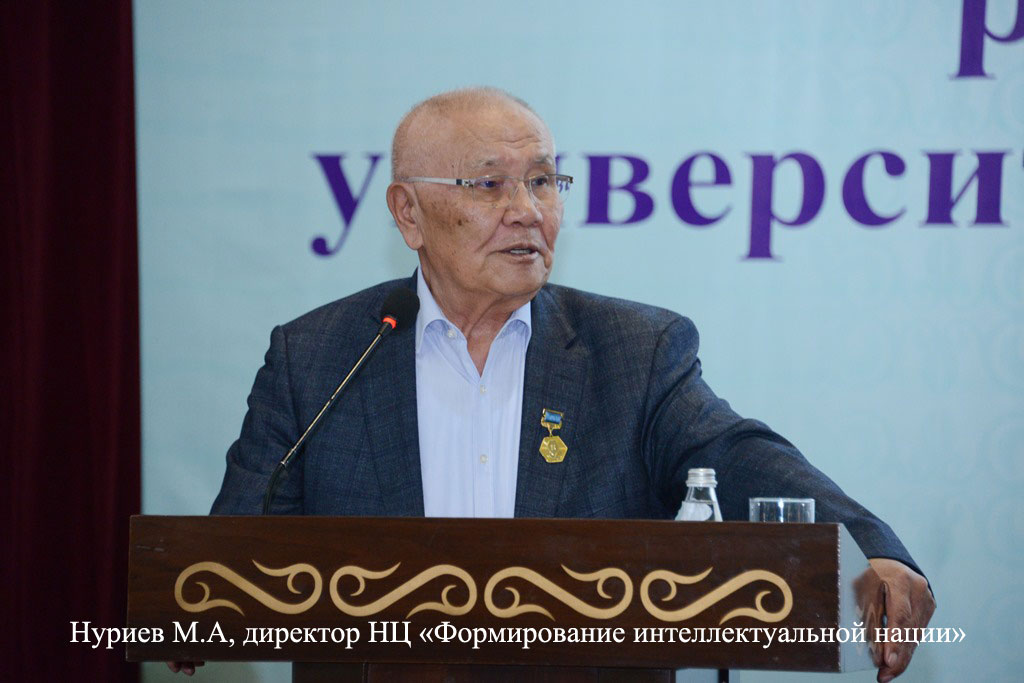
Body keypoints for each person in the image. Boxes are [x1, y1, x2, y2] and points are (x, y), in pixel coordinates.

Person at [202, 87, 933, 681]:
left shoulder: (634, 351)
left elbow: (734, 453)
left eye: (544, 181)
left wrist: (872, 547)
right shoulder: (319, 356)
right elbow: (231, 556)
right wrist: (191, 609)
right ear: (408, 212)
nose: (528, 210)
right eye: (490, 183)